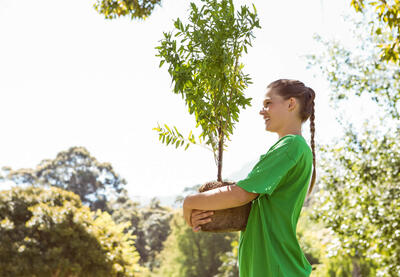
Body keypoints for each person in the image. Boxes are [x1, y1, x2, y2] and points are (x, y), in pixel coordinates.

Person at [183, 79, 316, 276]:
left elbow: (242, 194)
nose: (262, 111)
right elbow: (250, 206)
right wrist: (208, 214)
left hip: (276, 268)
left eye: (268, 103)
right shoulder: (294, 147)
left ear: (290, 104)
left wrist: (190, 202)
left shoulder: (291, 146)